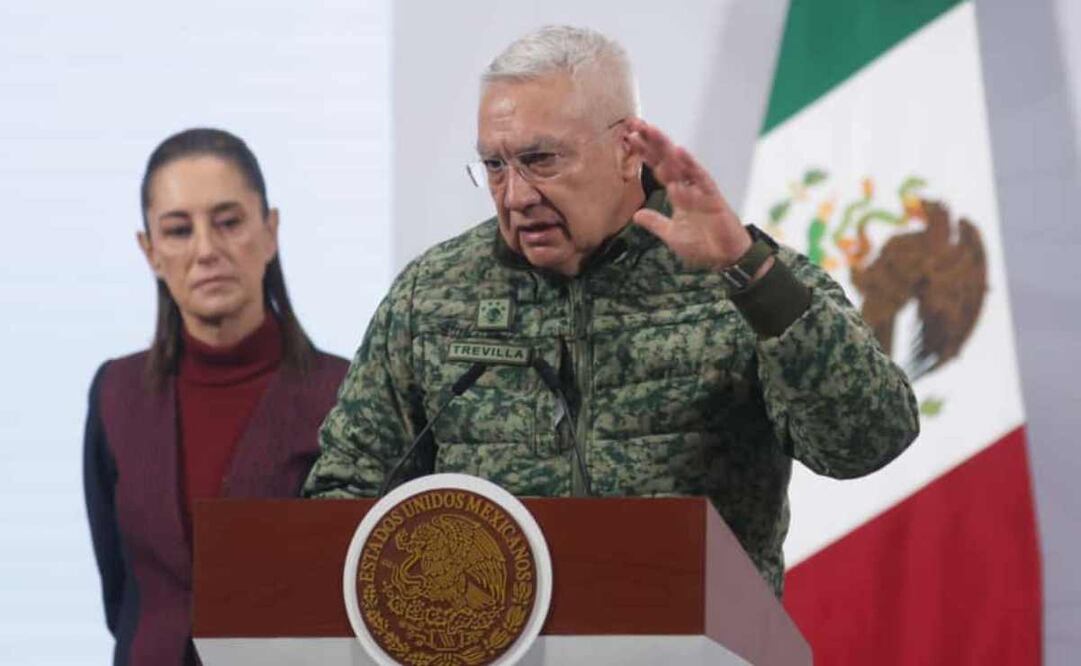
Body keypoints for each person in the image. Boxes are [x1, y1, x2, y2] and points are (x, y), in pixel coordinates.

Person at [302, 26, 919, 595]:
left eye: (541, 160)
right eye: (495, 165)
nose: (514, 195)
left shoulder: (736, 278)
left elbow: (868, 441)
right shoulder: (434, 294)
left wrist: (749, 271)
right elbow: (345, 494)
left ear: (628, 149)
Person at [83, 128, 349, 665]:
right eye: (179, 230)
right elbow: (124, 593)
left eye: (229, 222)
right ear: (150, 250)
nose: (207, 250)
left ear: (270, 230)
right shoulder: (115, 393)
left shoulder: (343, 396)